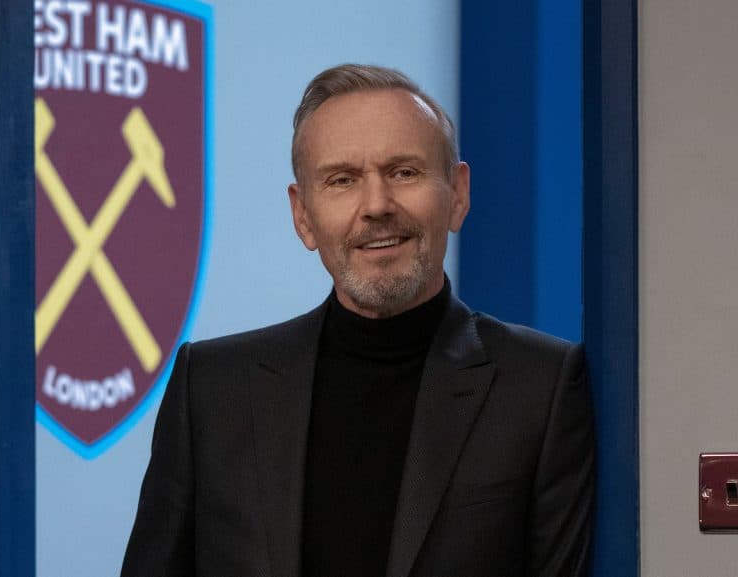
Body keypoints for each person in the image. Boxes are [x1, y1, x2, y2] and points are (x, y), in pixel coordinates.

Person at [122, 64, 594, 577]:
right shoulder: (213, 388)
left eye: (404, 172)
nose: (376, 206)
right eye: (342, 180)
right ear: (303, 215)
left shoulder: (540, 387)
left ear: (457, 194)